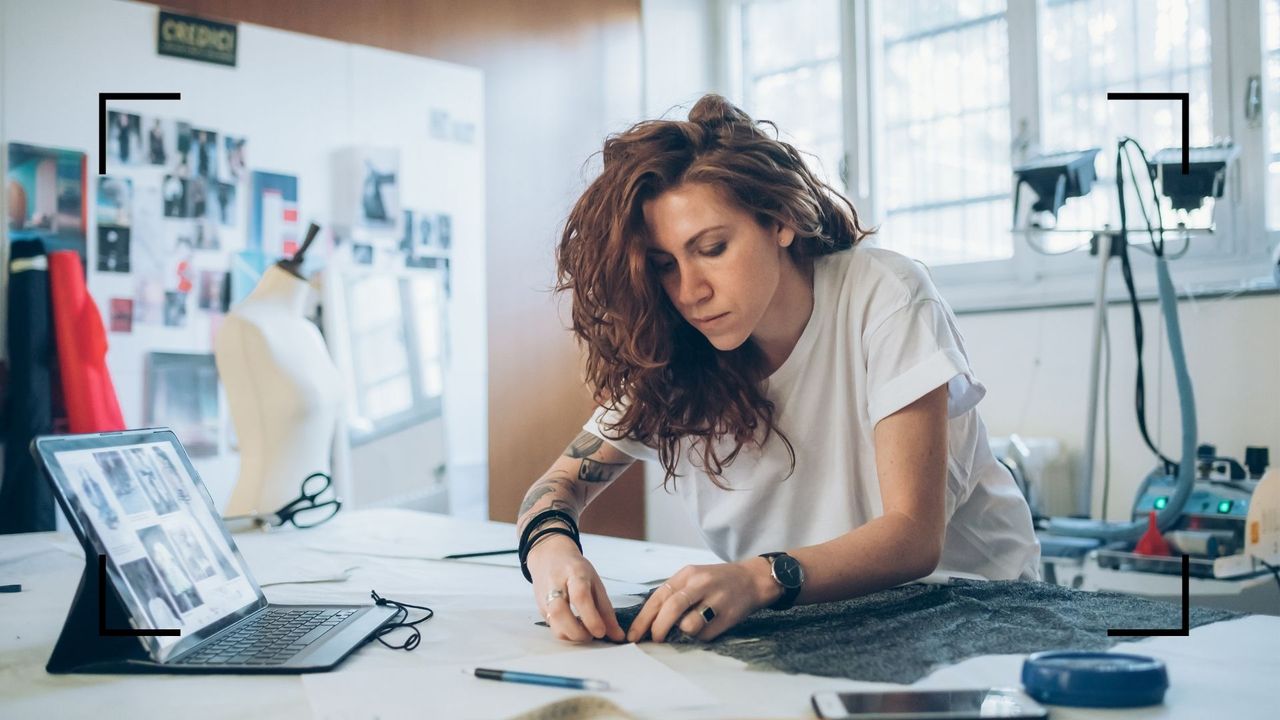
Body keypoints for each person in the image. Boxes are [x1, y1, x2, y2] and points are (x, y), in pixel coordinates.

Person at [515, 94, 1039, 646]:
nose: (690, 292)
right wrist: (552, 552)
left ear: (780, 220)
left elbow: (912, 536)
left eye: (712, 248)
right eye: (666, 266)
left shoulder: (882, 294)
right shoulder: (675, 350)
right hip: (815, 623)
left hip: (972, 607)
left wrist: (757, 577)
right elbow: (556, 487)